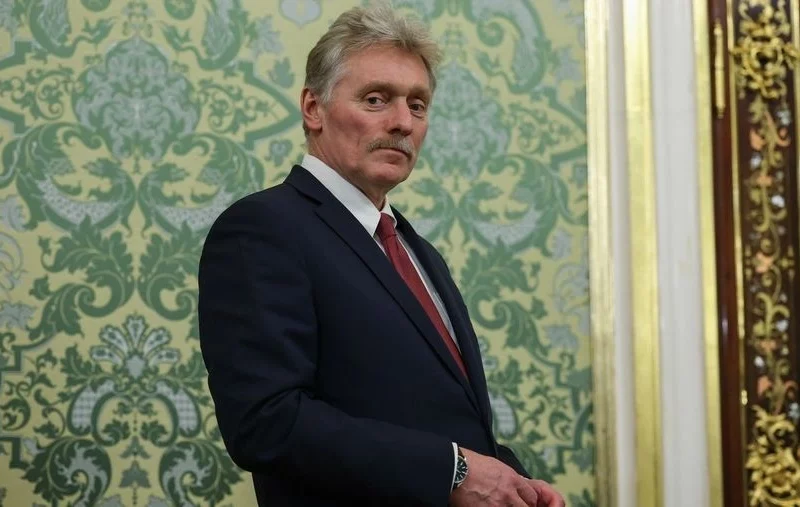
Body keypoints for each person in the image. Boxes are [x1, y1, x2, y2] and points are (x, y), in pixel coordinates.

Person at [198, 3, 566, 506]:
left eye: (418, 105)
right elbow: (267, 422)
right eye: (376, 99)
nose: (402, 122)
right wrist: (454, 471)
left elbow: (437, 418)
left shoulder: (417, 251)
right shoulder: (264, 228)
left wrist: (514, 483)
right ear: (313, 108)